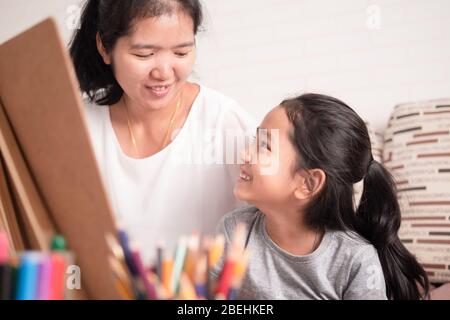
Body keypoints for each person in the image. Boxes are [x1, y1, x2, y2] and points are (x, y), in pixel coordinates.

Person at [69, 0, 256, 263]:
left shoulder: (227, 120)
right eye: (144, 55)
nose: (165, 72)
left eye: (181, 53)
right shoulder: (78, 125)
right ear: (104, 46)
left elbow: (290, 215)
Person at [213, 93, 430, 300]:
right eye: (254, 140)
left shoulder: (355, 260)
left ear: (307, 183)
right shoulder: (235, 230)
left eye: (264, 146)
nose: (244, 153)